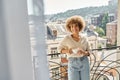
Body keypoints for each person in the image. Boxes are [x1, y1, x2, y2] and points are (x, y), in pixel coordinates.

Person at [58, 15, 91, 80]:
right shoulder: (67, 38)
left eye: (76, 26)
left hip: (84, 61)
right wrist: (68, 51)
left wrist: (84, 52)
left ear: (79, 26)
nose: (74, 28)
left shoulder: (84, 38)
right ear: (69, 28)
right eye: (72, 26)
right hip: (72, 62)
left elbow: (90, 52)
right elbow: (59, 49)